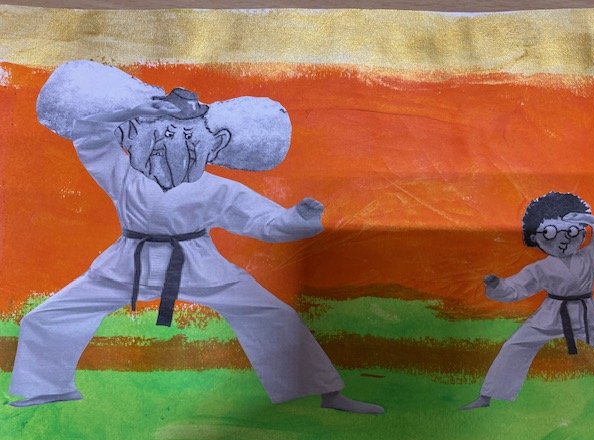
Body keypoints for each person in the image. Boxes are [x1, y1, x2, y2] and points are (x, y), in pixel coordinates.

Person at [9, 88, 384, 414]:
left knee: (274, 315)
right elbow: (89, 134)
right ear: (142, 134)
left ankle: (328, 394)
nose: (175, 141)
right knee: (46, 317)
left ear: (212, 143)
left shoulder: (218, 189)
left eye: (188, 134)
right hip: (128, 265)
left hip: (197, 265)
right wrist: (135, 109)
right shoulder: (123, 176)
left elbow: (263, 222)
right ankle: (48, 388)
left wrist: (297, 219)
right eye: (166, 131)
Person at [463, 191, 594, 409]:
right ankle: (487, 396)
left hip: (589, 315)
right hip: (552, 315)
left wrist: (585, 219)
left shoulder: (590, 257)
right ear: (535, 237)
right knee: (516, 345)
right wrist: (496, 286)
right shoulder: (541, 268)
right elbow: (516, 288)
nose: (563, 240)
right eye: (549, 233)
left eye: (572, 231)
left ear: (582, 232)